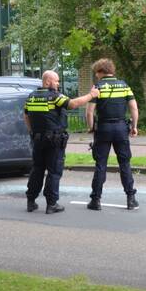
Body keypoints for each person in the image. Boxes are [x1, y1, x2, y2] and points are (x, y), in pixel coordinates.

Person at [24, 71, 98, 214]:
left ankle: (31, 201)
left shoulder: (31, 97)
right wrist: (91, 95)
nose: (58, 83)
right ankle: (51, 204)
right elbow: (73, 104)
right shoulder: (54, 97)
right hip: (54, 141)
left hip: (38, 140)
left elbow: (26, 116)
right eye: (56, 81)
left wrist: (32, 132)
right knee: (54, 171)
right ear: (47, 82)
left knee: (37, 169)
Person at [85, 58, 139, 211]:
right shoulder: (124, 86)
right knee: (124, 164)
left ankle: (95, 200)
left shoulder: (98, 86)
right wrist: (134, 127)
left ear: (101, 71)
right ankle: (131, 199)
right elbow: (134, 109)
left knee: (101, 164)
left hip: (103, 128)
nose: (96, 76)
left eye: (96, 72)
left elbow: (89, 112)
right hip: (121, 129)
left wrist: (91, 127)